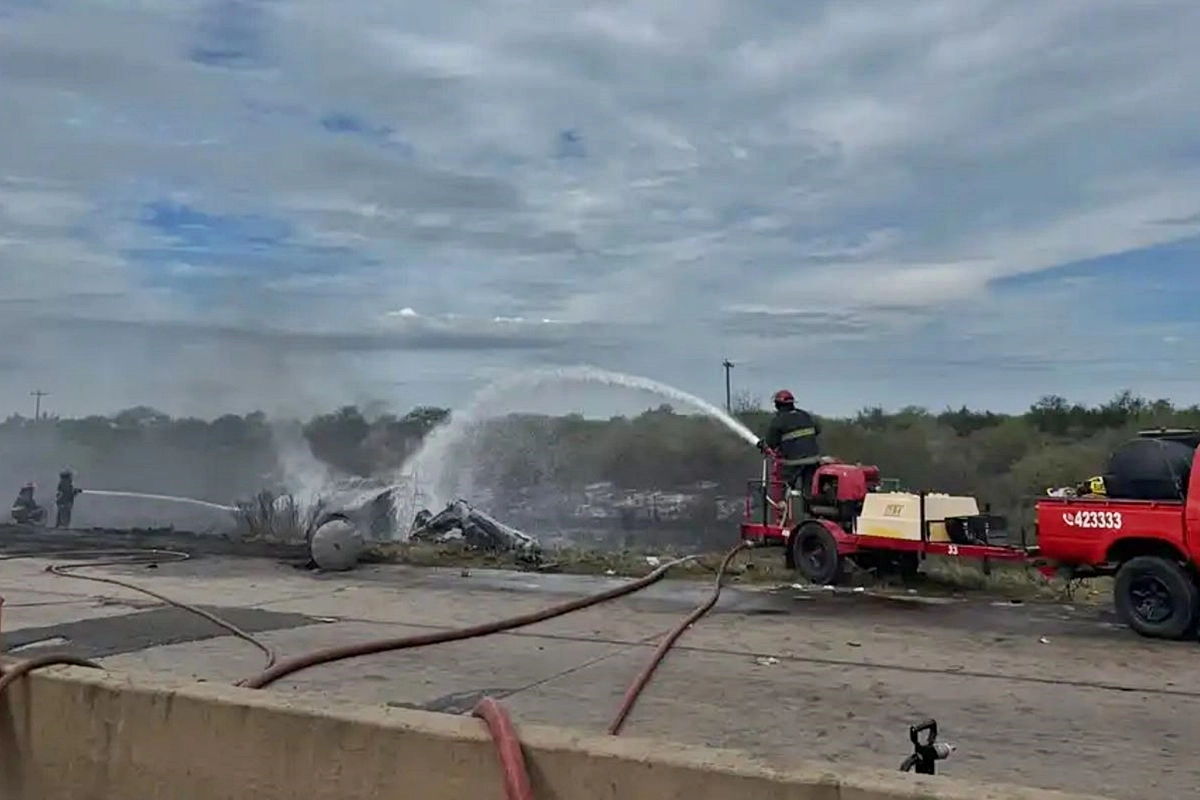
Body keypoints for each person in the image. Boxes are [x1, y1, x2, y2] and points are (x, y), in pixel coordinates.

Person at [757, 389, 822, 494]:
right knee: (809, 492)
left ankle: (784, 507)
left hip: (793, 462)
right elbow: (817, 429)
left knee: (782, 487)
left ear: (777, 405)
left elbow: (770, 443)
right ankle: (808, 508)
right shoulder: (805, 415)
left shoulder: (778, 420)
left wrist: (763, 444)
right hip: (813, 460)